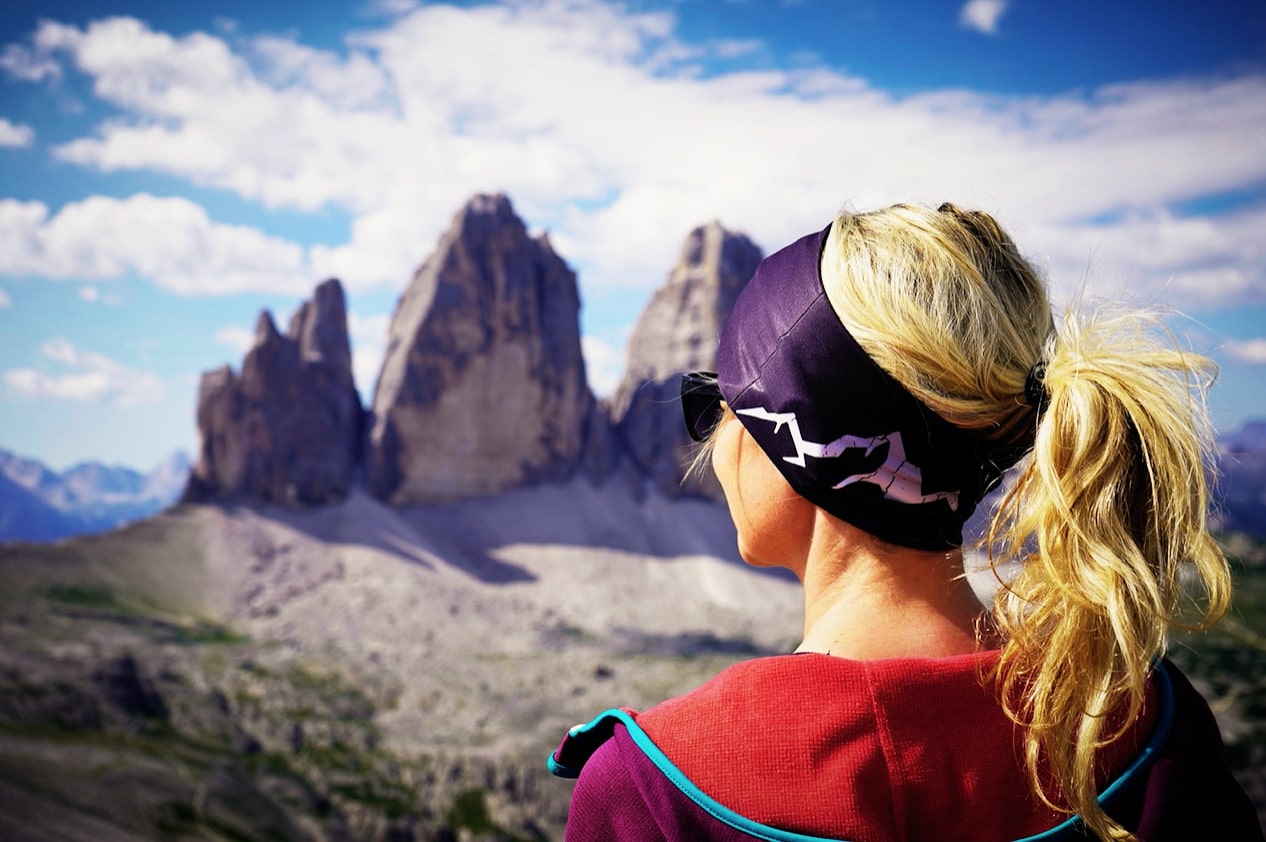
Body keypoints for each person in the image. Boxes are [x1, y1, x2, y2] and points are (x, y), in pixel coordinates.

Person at [548, 203, 1263, 841]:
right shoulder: (1147, 729)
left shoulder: (648, 794)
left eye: (717, 406)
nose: (710, 443)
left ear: (791, 444)